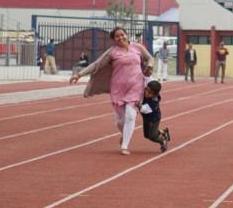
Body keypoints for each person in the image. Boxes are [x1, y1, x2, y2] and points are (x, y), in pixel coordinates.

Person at [69, 26, 154, 155]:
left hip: (136, 87)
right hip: (118, 89)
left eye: (122, 35)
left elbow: (150, 58)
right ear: (114, 40)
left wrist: (150, 66)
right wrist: (79, 75)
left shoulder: (137, 48)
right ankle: (124, 133)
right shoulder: (112, 52)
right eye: (117, 36)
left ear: (126, 35)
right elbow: (96, 64)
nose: (121, 38)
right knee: (120, 121)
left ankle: (124, 146)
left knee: (130, 116)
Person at [137, 80, 170, 152]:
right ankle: (163, 132)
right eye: (146, 90)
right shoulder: (145, 91)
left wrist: (138, 104)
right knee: (146, 135)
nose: (146, 93)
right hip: (146, 118)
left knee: (153, 136)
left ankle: (162, 141)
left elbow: (144, 109)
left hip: (153, 119)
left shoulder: (154, 102)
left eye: (150, 93)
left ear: (155, 94)